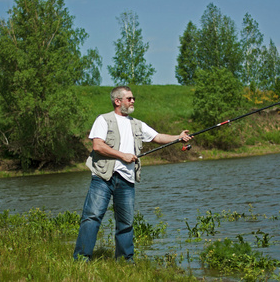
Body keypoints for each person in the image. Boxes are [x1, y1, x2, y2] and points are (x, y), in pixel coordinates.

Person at [73, 86, 193, 261]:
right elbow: (97, 146)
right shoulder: (103, 120)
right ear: (117, 101)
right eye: (129, 98)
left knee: (126, 224)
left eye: (133, 98)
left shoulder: (137, 124)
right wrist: (123, 156)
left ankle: (124, 261)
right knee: (91, 218)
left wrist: (178, 137)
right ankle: (82, 259)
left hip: (127, 180)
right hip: (103, 178)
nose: (133, 101)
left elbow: (157, 137)